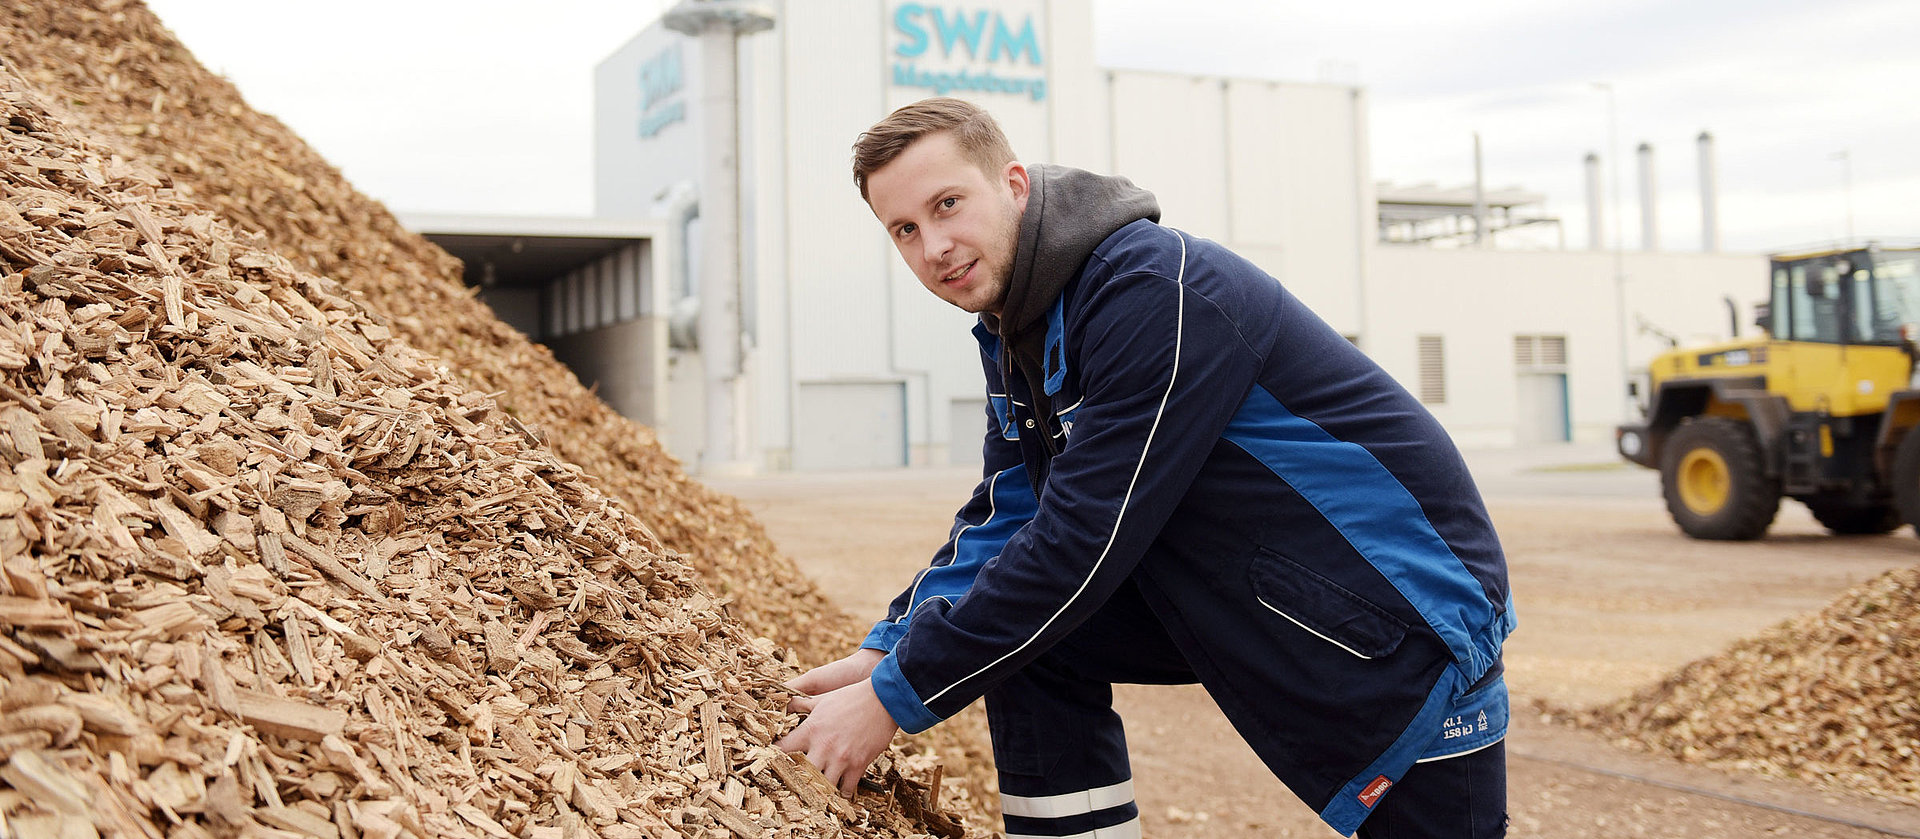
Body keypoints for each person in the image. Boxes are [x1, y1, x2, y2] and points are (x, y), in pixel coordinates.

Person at [776, 97, 1514, 839]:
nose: (935, 245)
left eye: (948, 204)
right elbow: (1012, 506)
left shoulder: (1153, 295)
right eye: (906, 229)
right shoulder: (1017, 325)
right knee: (1026, 638)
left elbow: (1084, 536)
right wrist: (889, 644)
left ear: (1015, 185)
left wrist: (891, 700)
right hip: (1253, 583)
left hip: (1400, 607)